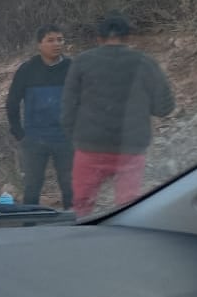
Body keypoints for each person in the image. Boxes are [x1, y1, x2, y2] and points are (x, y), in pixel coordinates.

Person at [61, 14, 175, 218]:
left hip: (90, 146)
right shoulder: (146, 63)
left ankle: (78, 244)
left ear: (98, 38)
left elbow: (68, 107)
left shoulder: (82, 62)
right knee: (128, 206)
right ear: (128, 38)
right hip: (130, 149)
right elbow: (164, 107)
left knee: (82, 206)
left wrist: (75, 136)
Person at [6, 24, 74, 209]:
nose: (56, 44)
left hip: (65, 139)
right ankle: (29, 226)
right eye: (50, 40)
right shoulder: (27, 70)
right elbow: (12, 103)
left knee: (70, 187)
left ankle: (73, 228)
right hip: (35, 139)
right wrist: (19, 133)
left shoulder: (71, 68)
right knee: (32, 188)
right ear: (39, 44)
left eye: (60, 39)